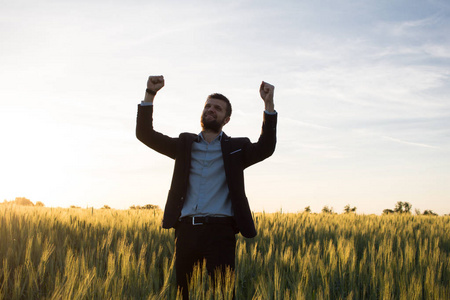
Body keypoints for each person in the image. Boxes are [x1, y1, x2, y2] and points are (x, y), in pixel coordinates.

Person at [136, 75, 277, 299]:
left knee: (222, 294)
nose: (211, 110)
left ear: (226, 118)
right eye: (208, 106)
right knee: (184, 294)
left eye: (218, 108)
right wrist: (150, 94)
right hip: (186, 231)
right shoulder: (184, 144)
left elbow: (266, 147)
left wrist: (268, 105)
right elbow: (145, 134)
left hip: (221, 233)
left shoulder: (236, 148)